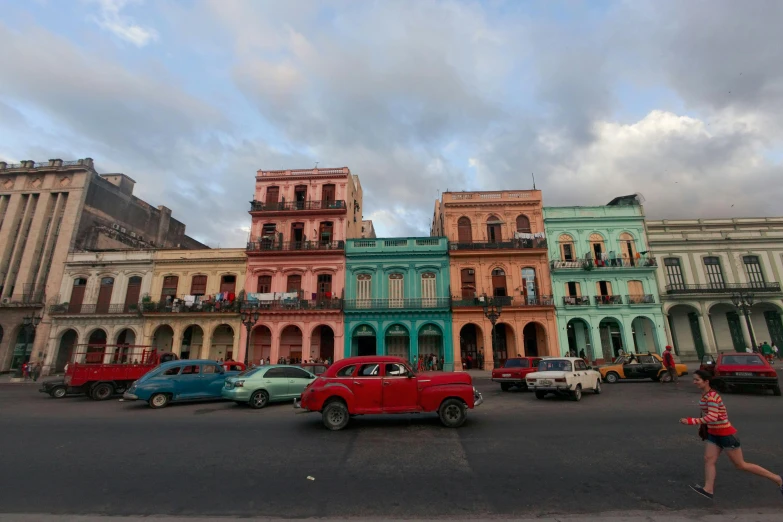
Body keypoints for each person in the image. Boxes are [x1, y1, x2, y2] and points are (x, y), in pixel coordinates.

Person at [679, 369, 783, 500]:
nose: (694, 382)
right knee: (709, 459)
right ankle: (708, 489)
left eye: (697, 380)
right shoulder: (705, 394)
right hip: (714, 434)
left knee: (741, 465)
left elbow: (712, 416)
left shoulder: (711, 396)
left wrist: (691, 421)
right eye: (694, 379)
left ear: (706, 381)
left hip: (725, 435)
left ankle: (778, 479)